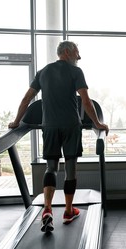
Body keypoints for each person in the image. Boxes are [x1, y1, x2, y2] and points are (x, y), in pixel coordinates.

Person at [8, 40, 109, 233]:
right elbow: (86, 101)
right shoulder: (76, 72)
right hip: (71, 126)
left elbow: (26, 99)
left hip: (50, 126)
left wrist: (16, 121)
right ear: (68, 52)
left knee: (51, 167)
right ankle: (68, 210)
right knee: (71, 169)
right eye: (77, 53)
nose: (79, 57)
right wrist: (97, 124)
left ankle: (47, 208)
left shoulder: (43, 72)